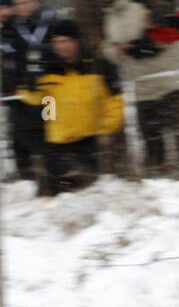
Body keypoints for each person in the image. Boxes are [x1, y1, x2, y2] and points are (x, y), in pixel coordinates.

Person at [18, 19, 123, 197]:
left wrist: (107, 128)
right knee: (56, 200)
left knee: (89, 194)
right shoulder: (48, 69)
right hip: (57, 144)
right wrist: (29, 84)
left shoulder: (97, 66)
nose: (61, 47)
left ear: (76, 41)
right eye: (57, 42)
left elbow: (115, 101)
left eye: (65, 41)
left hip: (88, 141)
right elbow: (37, 100)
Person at [101, 0, 179, 173]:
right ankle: (158, 175)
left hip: (168, 81)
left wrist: (142, 46)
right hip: (141, 87)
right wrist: (117, 51)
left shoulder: (142, 0)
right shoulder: (109, 16)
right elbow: (107, 46)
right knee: (151, 141)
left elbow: (175, 29)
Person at [1, 0, 56, 180]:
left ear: (36, 2)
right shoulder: (15, 30)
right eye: (18, 4)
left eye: (25, 2)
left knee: (51, 127)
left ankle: (54, 171)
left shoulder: (50, 22)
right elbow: (12, 61)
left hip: (51, 93)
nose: (21, 7)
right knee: (22, 134)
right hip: (24, 93)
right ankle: (26, 174)